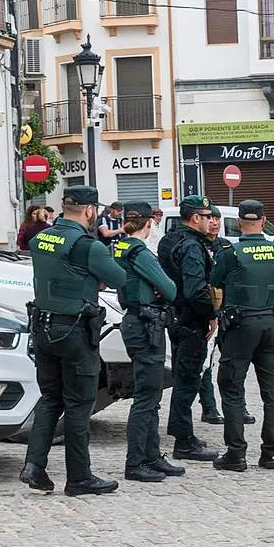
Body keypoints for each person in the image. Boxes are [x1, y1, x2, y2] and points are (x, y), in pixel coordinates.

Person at [19, 185, 127, 497]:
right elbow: (118, 278)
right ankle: (79, 477)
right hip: (75, 331)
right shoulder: (87, 245)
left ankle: (34, 466)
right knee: (80, 404)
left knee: (50, 399)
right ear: (90, 210)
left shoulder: (42, 238)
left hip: (43, 328)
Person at [209, 199, 274, 472]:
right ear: (264, 221)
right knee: (270, 391)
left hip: (240, 325)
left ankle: (236, 453)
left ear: (240, 222)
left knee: (231, 388)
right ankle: (270, 454)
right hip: (270, 323)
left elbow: (215, 283)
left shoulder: (230, 252)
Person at [112, 202, 181, 484]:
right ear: (149, 223)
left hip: (135, 320)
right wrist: (159, 287)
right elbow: (170, 289)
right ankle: (137, 461)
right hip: (145, 325)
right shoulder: (139, 252)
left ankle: (152, 456)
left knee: (150, 395)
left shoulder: (118, 247)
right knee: (147, 397)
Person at [157, 195, 220, 462]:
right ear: (196, 218)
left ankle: (182, 433)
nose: (212, 222)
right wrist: (212, 315)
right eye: (208, 217)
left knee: (183, 378)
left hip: (174, 316)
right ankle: (184, 441)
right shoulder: (193, 247)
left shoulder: (168, 239)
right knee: (188, 381)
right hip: (191, 319)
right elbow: (196, 290)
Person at [199, 207, 256, 428]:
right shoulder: (198, 246)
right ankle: (209, 407)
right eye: (210, 218)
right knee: (207, 363)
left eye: (217, 218)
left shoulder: (226, 247)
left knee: (234, 364)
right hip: (207, 311)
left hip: (229, 312)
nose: (214, 223)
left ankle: (238, 407)